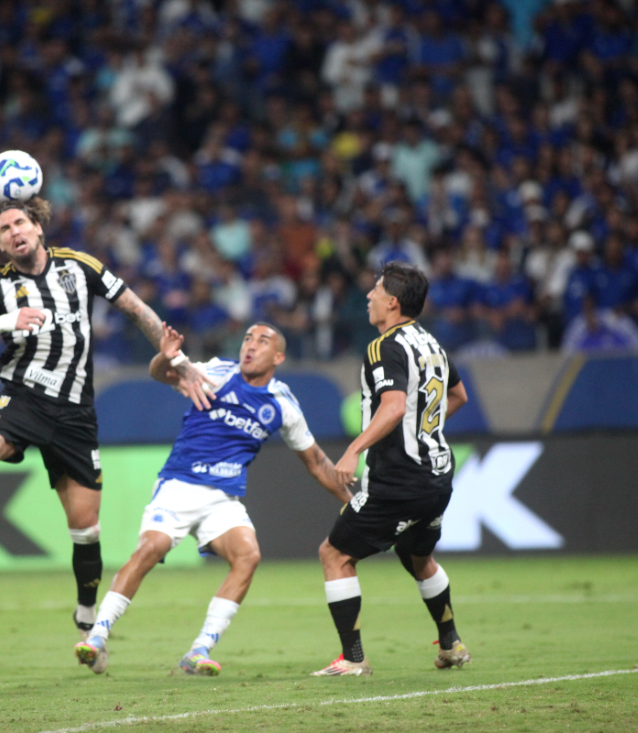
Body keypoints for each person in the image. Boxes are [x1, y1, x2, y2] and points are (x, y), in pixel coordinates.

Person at [0, 195, 213, 639]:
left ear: (38, 227)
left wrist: (180, 362)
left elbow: (137, 310)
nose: (14, 233)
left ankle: (85, 609)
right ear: (1, 246)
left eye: (19, 223)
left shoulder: (79, 266)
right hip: (24, 398)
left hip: (76, 414)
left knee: (85, 528)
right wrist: (6, 322)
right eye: (4, 231)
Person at [74, 323, 352, 676]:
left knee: (248, 555)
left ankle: (199, 650)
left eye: (262, 341)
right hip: (180, 484)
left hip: (223, 498)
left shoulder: (283, 405)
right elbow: (161, 373)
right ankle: (97, 637)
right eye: (248, 339)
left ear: (278, 356)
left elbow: (316, 462)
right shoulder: (217, 372)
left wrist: (350, 501)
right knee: (150, 548)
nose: (250, 346)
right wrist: (167, 355)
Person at [314, 261, 471, 677]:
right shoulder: (432, 344)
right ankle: (451, 643)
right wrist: (424, 431)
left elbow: (395, 405)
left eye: (375, 290)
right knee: (417, 555)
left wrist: (353, 451)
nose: (368, 296)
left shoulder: (384, 346)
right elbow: (458, 395)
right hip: (438, 476)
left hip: (399, 479)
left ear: (393, 302)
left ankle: (353, 658)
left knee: (335, 554)